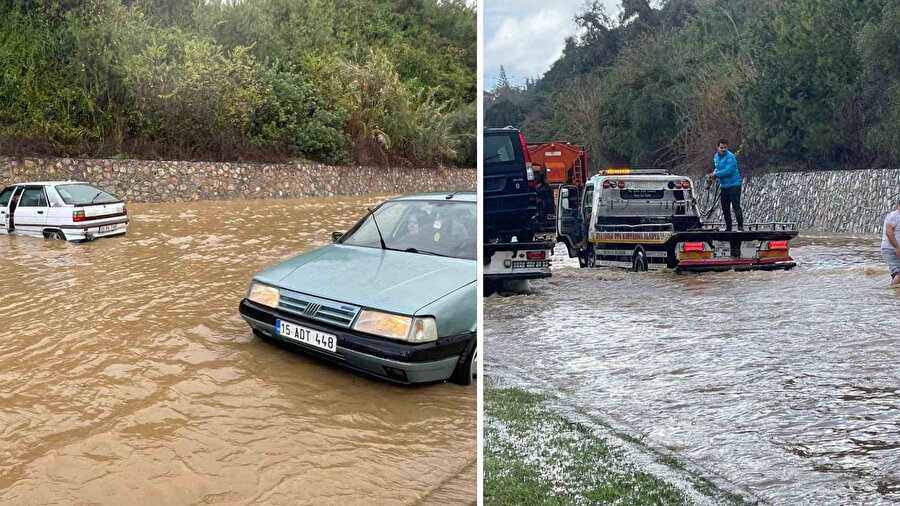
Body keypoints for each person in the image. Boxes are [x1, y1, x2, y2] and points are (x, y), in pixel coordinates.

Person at [710, 138, 744, 231]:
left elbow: (729, 171)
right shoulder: (716, 157)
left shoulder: (731, 157)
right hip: (724, 186)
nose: (723, 149)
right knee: (725, 208)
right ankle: (728, 227)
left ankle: (740, 227)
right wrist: (713, 175)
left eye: (725, 147)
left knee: (736, 206)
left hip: (734, 184)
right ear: (718, 147)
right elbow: (717, 168)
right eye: (721, 147)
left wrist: (716, 174)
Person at [881, 199, 900, 287]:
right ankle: (892, 292)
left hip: (895, 249)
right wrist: (897, 247)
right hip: (891, 249)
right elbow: (889, 232)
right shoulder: (894, 216)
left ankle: (894, 297)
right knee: (899, 274)